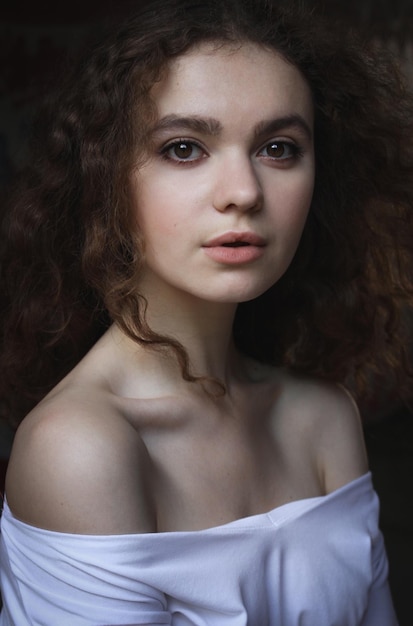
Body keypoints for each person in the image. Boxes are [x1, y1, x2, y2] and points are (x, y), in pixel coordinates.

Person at [0, 0, 412, 623]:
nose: (244, 193)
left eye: (278, 147)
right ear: (105, 175)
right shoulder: (81, 449)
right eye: (186, 148)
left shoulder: (322, 416)